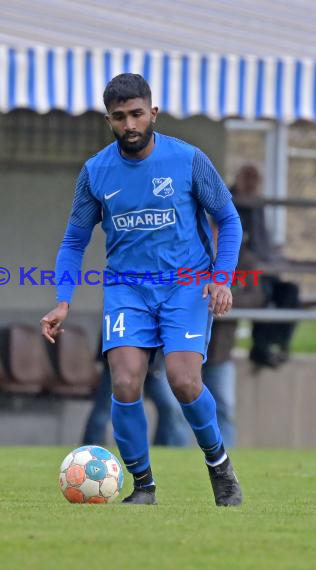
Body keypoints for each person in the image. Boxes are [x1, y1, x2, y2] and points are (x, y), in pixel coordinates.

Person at [41, 73, 243, 506]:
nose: (129, 124)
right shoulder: (96, 171)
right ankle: (143, 487)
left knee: (184, 381)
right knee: (126, 383)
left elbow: (229, 220)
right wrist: (62, 300)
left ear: (152, 112)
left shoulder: (188, 160)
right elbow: (75, 240)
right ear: (108, 120)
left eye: (136, 114)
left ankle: (219, 467)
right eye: (119, 117)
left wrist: (221, 277)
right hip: (126, 289)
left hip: (186, 285)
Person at [231, 165, 299, 368]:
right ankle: (260, 348)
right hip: (242, 272)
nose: (252, 182)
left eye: (255, 178)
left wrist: (276, 257)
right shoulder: (229, 202)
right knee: (263, 293)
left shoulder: (258, 204)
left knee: (290, 292)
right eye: (248, 177)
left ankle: (278, 344)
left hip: (262, 268)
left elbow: (263, 242)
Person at [202, 239, 265, 446]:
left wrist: (223, 298)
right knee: (175, 408)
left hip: (220, 350)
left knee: (224, 407)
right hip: (182, 345)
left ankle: (225, 460)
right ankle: (173, 456)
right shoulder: (190, 249)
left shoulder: (244, 260)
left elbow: (256, 298)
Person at [83, 349, 190, 447]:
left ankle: (166, 451)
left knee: (172, 407)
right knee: (106, 409)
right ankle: (90, 450)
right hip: (121, 359)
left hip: (155, 361)